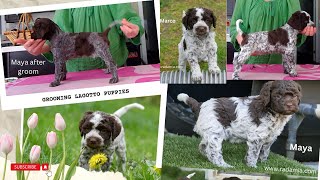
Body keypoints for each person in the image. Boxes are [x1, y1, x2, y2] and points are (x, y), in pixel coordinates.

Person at [15, 3, 144, 72]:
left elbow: (129, 20)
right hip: (76, 73)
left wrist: (134, 29)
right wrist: (42, 47)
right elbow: (56, 38)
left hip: (116, 68)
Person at [230, 0, 316, 64]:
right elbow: (234, 28)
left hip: (279, 66)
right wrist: (244, 43)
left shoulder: (291, 1)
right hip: (249, 66)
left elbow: (297, 28)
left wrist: (304, 30)